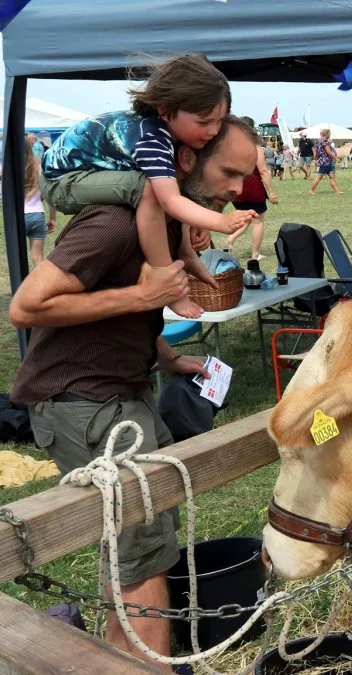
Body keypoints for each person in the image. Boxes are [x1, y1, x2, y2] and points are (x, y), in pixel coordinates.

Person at [8, 115, 258, 668]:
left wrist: (167, 357)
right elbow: (25, 306)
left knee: (140, 536)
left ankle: (116, 657)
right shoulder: (113, 223)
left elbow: (123, 303)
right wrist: (142, 300)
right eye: (230, 172)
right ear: (186, 159)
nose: (238, 189)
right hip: (82, 401)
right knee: (142, 544)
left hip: (120, 392)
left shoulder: (162, 219)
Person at [39, 53, 253, 319]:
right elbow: (170, 201)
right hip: (62, 181)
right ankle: (165, 280)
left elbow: (179, 190)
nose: (212, 131)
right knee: (149, 190)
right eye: (204, 121)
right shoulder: (153, 140)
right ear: (164, 109)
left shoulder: (169, 136)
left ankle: (185, 255)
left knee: (169, 185)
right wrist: (217, 222)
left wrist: (193, 227)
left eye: (219, 121)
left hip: (86, 173)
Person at [226, 117, 280, 260]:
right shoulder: (254, 146)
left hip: (236, 188)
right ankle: (255, 254)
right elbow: (262, 170)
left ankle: (230, 239)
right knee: (258, 221)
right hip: (253, 188)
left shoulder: (229, 146)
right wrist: (272, 191)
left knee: (246, 217)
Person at [23, 135, 58, 267]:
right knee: (38, 258)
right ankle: (45, 286)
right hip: (37, 215)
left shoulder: (8, 168)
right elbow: (49, 195)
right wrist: (53, 218)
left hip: (17, 218)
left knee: (16, 257)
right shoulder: (40, 168)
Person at [308, 128, 344, 195]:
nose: (330, 135)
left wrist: (316, 159)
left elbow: (317, 152)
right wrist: (336, 158)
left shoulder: (317, 141)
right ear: (326, 134)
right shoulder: (325, 142)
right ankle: (311, 190)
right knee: (319, 177)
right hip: (326, 162)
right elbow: (329, 152)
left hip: (324, 161)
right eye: (329, 133)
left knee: (332, 176)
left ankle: (337, 191)